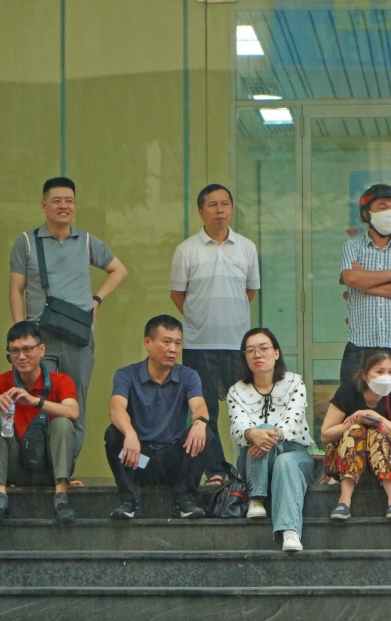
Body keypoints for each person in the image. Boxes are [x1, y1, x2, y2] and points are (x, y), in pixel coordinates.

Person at [10, 177, 127, 461]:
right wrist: (21, 335)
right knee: (37, 401)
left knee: (75, 405)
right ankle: (37, 467)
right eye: (57, 200)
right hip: (40, 339)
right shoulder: (26, 241)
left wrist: (97, 299)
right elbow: (16, 289)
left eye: (69, 201)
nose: (64, 206)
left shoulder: (86, 241)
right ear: (44, 205)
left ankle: (66, 468)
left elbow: (119, 270)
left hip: (79, 338)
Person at [171, 184, 261, 486]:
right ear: (201, 211)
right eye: (212, 205)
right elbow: (177, 294)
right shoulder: (186, 250)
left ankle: (252, 470)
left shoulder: (247, 247)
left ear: (232, 209)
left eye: (225, 204)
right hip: (199, 344)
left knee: (245, 406)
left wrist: (229, 317)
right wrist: (200, 318)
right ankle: (216, 471)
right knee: (204, 409)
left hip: (238, 345)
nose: (220, 210)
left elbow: (250, 291)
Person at [104, 315, 216, 520]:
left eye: (178, 343)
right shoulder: (126, 375)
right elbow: (116, 408)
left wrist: (200, 422)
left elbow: (199, 406)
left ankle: (185, 501)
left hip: (174, 463)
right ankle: (129, 501)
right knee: (113, 434)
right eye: (166, 342)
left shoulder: (188, 375)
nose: (173, 349)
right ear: (148, 342)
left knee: (204, 433)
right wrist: (130, 434)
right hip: (140, 461)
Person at [0, 322, 79, 524]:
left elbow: (73, 412)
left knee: (63, 423)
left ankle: (61, 496)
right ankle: (0, 498)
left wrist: (36, 401)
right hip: (16, 467)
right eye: (14, 351)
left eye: (27, 349)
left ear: (41, 349)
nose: (21, 356)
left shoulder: (61, 380)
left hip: (49, 468)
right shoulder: (1, 381)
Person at [227, 327, 315, 552]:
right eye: (250, 350)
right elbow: (238, 428)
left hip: (295, 452)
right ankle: (256, 497)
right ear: (245, 357)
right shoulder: (236, 391)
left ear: (276, 353)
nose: (257, 354)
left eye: (264, 348)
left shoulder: (295, 383)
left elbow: (293, 422)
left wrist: (268, 435)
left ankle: (289, 531)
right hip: (253, 461)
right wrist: (251, 434)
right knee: (262, 431)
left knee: (284, 461)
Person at [339, 183, 391, 411]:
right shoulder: (352, 246)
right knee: (353, 405)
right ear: (367, 214)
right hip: (361, 343)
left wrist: (366, 283)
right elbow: (351, 278)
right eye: (383, 207)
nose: (390, 213)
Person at [321, 349, 391, 521]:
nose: (386, 377)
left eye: (390, 372)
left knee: (377, 433)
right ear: (364, 374)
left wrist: (378, 418)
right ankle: (344, 501)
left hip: (386, 460)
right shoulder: (347, 391)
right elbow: (325, 435)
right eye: (379, 372)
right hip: (347, 462)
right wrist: (353, 421)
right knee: (356, 430)